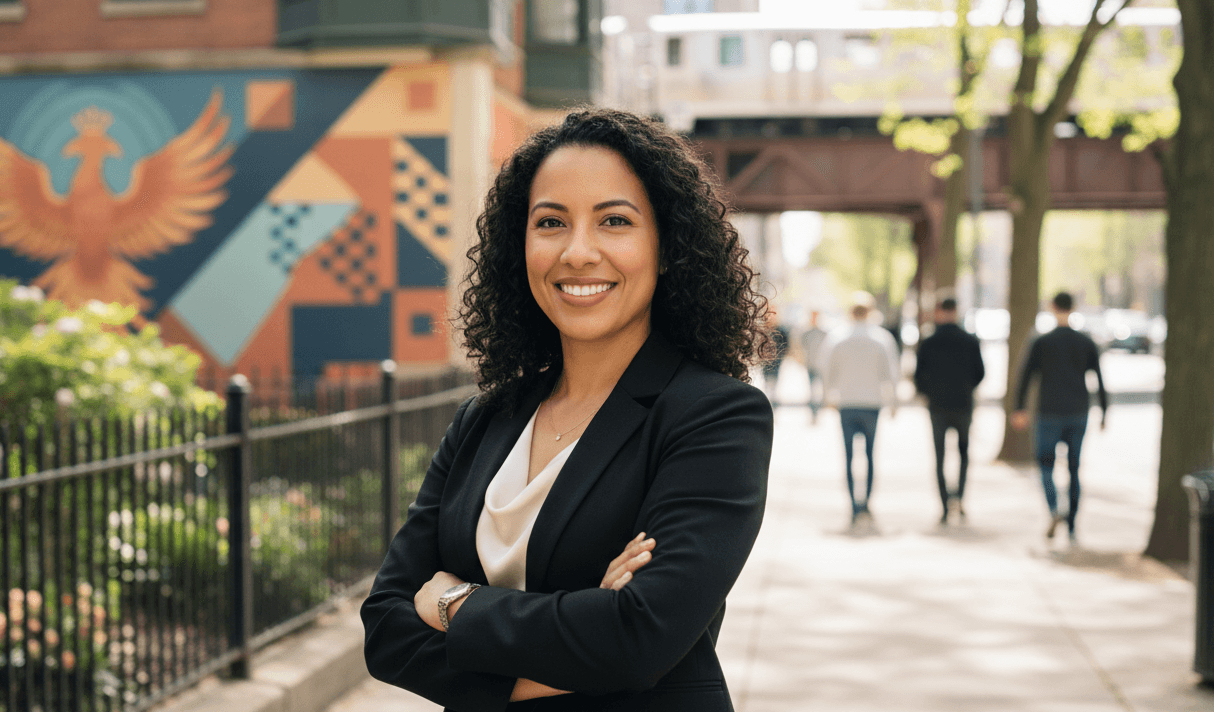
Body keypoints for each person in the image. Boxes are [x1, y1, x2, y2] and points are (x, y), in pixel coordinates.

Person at [361, 109, 775, 711]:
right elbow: (386, 628)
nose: (578, 252)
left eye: (614, 221)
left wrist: (454, 603)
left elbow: (636, 639)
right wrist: (577, 637)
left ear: (666, 249)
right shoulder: (485, 418)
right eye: (551, 222)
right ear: (519, 245)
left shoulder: (715, 417)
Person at [1011, 291, 1108, 544]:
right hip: (1078, 412)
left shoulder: (1042, 341)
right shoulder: (1085, 342)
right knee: (1075, 469)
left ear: (1052, 307)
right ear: (1073, 307)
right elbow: (1099, 378)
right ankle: (1073, 524)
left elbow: (1025, 375)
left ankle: (1054, 509)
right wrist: (1105, 412)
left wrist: (1019, 408)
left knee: (1045, 466)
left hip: (1048, 413)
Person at [820, 294, 901, 523]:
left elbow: (827, 370)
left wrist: (828, 396)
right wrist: (894, 402)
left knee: (848, 456)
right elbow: (892, 373)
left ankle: (853, 505)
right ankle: (866, 502)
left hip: (846, 403)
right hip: (871, 404)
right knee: (870, 455)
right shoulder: (881, 338)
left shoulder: (837, 338)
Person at [913, 297, 985, 524]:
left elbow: (917, 375)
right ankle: (959, 498)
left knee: (940, 456)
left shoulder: (928, 341)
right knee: (964, 454)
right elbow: (980, 373)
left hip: (938, 407)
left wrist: (928, 391)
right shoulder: (970, 340)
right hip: (963, 404)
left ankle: (945, 504)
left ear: (938, 312)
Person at [797, 310, 829, 423]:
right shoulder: (806, 333)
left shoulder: (824, 333)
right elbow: (800, 348)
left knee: (819, 390)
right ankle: (813, 414)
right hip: (810, 365)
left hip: (821, 366)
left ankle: (818, 412)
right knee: (812, 390)